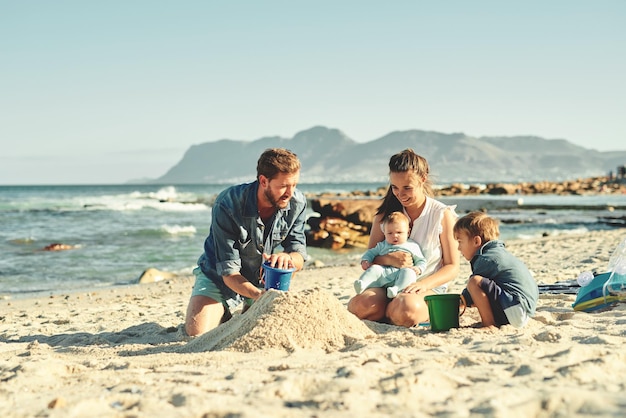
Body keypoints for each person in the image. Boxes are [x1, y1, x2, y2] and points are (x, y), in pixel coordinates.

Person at [184, 148, 308, 336]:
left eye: (294, 185)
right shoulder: (227, 204)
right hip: (218, 277)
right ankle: (224, 309)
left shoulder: (297, 203)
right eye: (284, 186)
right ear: (264, 181)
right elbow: (229, 272)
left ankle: (248, 308)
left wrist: (287, 257)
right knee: (196, 333)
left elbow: (299, 254)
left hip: (265, 279)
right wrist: (259, 297)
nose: (290, 193)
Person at [348, 149, 460, 327]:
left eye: (407, 187)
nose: (400, 194)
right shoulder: (384, 217)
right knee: (360, 306)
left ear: (422, 179)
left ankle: (392, 311)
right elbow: (369, 258)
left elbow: (452, 266)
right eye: (395, 187)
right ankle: (390, 309)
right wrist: (388, 259)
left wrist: (423, 285)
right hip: (387, 284)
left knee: (406, 308)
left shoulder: (441, 214)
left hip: (426, 287)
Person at [453, 211, 538, 328]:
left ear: (476, 241)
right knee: (482, 285)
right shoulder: (499, 254)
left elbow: (470, 293)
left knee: (474, 282)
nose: (458, 248)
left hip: (515, 310)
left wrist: (458, 302)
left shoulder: (487, 259)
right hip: (522, 310)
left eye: (460, 242)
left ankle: (489, 324)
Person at [355, 211, 427, 298]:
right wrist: (365, 260)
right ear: (384, 233)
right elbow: (371, 252)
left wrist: (418, 268)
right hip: (384, 274)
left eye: (399, 232)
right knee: (375, 269)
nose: (395, 236)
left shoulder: (412, 246)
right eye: (390, 233)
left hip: (402, 275)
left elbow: (421, 260)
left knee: (409, 272)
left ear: (408, 232)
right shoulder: (382, 245)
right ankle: (363, 283)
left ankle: (396, 289)